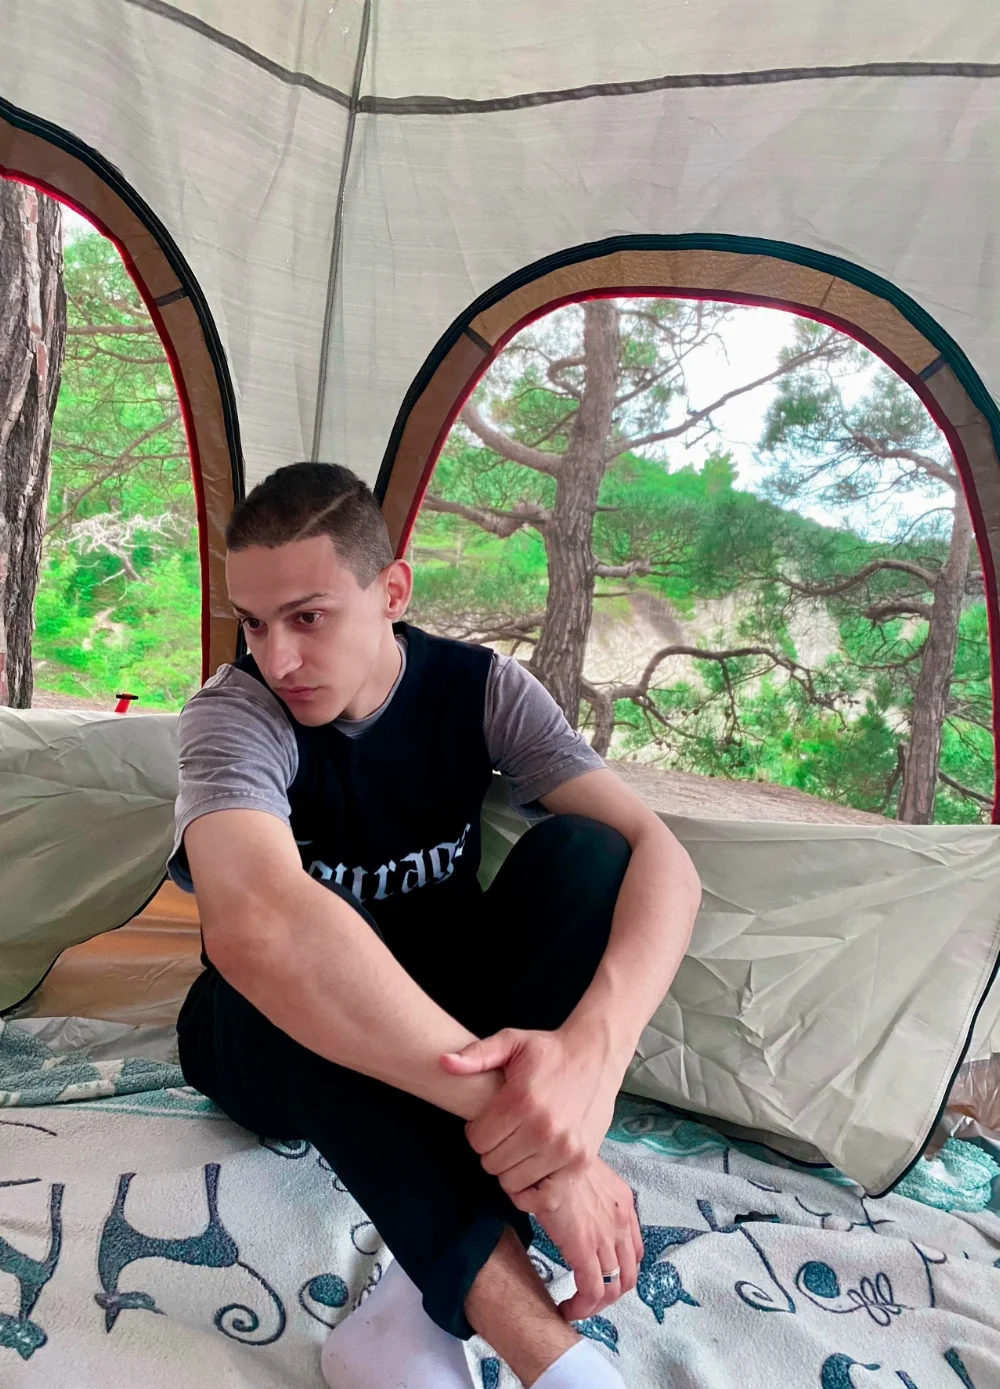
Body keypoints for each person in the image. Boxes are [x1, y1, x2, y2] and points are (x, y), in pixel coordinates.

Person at [168, 462, 701, 1389]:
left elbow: (664, 857)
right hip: (262, 1038)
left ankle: (403, 1315)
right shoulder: (233, 713)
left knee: (588, 855)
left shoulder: (482, 689)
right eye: (253, 623)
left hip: (448, 1019)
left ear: (392, 592)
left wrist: (590, 1062)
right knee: (303, 945)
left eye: (307, 616)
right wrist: (539, 1141)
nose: (277, 658)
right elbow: (257, 929)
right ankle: (552, 1360)